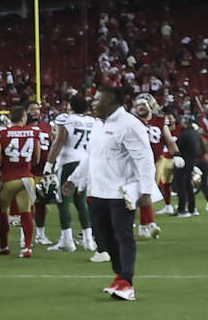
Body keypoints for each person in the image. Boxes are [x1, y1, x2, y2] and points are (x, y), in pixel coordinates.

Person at [65, 86, 157, 302]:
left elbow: (144, 159)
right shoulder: (98, 124)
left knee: (123, 236)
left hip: (120, 192)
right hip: (98, 192)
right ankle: (119, 275)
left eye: (99, 100)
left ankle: (127, 282)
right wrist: (74, 179)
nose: (94, 103)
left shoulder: (129, 125)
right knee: (104, 238)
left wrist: (146, 191)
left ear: (113, 102)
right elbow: (90, 157)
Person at [0, 105, 41, 258]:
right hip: (27, 178)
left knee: (2, 212)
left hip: (8, 179)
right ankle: (27, 247)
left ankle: (4, 245)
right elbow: (36, 158)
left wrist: (2, 168)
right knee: (26, 212)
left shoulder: (2, 132)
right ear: (24, 117)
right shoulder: (33, 132)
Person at [46, 95, 96, 252]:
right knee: (81, 201)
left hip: (68, 161)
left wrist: (49, 164)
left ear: (70, 106)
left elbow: (60, 141)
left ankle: (67, 240)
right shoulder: (92, 121)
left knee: (63, 201)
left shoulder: (66, 119)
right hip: (85, 162)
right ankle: (88, 239)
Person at [132, 94, 172, 235]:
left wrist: (177, 155)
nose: (141, 107)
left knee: (146, 192)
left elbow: (168, 140)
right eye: (138, 105)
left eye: (144, 104)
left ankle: (145, 224)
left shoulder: (160, 120)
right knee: (139, 193)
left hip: (154, 161)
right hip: (134, 162)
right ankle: (147, 223)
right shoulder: (132, 121)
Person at [26, 102, 55, 245]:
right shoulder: (23, 127)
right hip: (28, 171)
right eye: (31, 109)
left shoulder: (46, 126)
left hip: (43, 172)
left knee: (42, 205)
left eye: (37, 109)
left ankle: (40, 235)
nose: (35, 112)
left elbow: (51, 145)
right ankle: (26, 238)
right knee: (26, 205)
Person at [173, 121, 201, 217]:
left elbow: (176, 146)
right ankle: (192, 208)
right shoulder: (195, 133)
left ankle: (182, 210)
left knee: (181, 186)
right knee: (189, 186)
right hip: (192, 161)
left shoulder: (184, 134)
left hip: (183, 162)